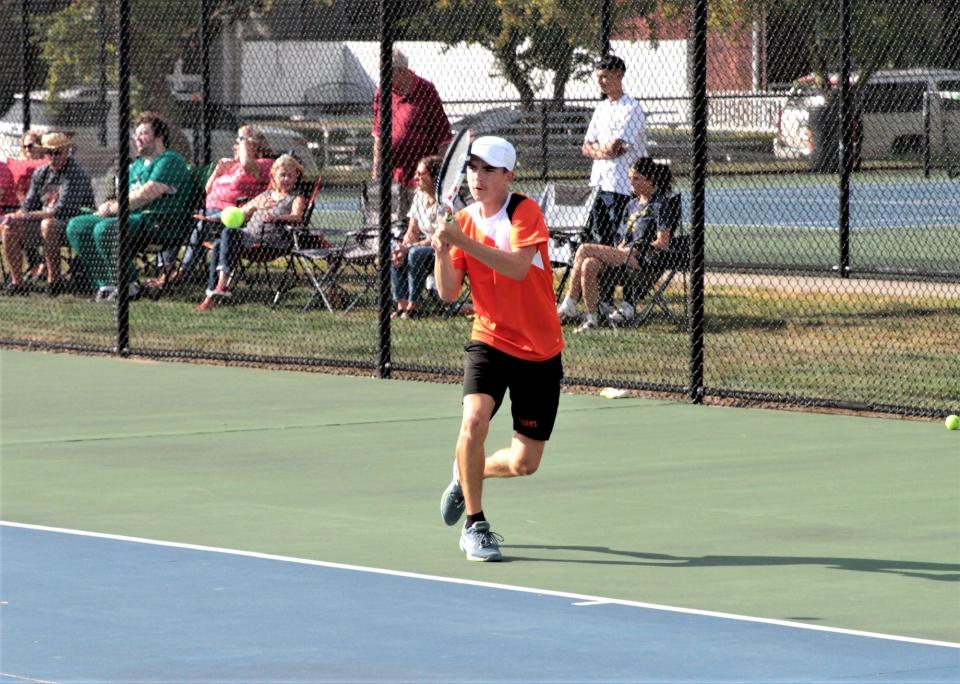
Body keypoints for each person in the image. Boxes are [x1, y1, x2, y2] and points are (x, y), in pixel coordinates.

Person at [433, 136, 564, 562]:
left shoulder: (525, 211)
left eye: (489, 169)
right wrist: (442, 249)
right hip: (489, 339)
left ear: (509, 176)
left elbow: (517, 267)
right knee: (473, 421)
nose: (478, 177)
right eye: (472, 168)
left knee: (525, 462)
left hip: (540, 350)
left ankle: (466, 471)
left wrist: (462, 241)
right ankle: (476, 525)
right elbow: (450, 293)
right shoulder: (461, 223)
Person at [65, 111, 192, 302]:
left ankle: (129, 286)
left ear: (159, 137)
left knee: (106, 228)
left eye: (143, 133)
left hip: (159, 222)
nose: (137, 139)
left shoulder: (170, 160)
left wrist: (115, 207)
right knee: (77, 226)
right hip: (130, 219)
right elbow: (122, 195)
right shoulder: (136, 166)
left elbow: (148, 193)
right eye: (136, 134)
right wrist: (110, 204)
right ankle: (107, 284)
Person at [556, 158, 677, 333]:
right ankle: (592, 319)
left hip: (642, 259)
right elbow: (622, 238)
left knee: (584, 249)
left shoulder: (660, 205)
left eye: (636, 178)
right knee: (589, 263)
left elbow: (663, 242)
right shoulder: (631, 205)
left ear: (650, 179)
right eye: (630, 178)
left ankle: (569, 303)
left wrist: (639, 248)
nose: (631, 183)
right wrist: (618, 251)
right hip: (622, 255)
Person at [149, 124, 274, 287]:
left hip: (232, 216)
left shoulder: (265, 164)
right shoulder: (232, 165)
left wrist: (244, 136)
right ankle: (165, 270)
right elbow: (207, 190)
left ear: (253, 145)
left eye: (239, 142)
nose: (235, 146)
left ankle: (182, 273)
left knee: (200, 225)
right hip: (207, 212)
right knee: (175, 221)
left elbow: (248, 165)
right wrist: (217, 171)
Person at [196, 154, 306, 312]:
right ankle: (215, 291)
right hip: (247, 238)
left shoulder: (296, 197)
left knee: (225, 237)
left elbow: (297, 217)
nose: (287, 179)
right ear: (274, 175)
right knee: (221, 241)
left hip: (269, 242)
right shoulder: (264, 196)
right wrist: (256, 206)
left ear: (297, 176)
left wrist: (277, 217)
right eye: (283, 175)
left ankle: (216, 291)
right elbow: (240, 213)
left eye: (291, 175)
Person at [582, 54, 647, 314]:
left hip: (623, 189)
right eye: (598, 78)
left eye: (605, 77)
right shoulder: (601, 108)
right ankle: (605, 300)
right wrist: (603, 151)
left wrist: (604, 149)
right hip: (599, 186)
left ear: (619, 74)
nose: (601, 82)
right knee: (601, 242)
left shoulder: (632, 108)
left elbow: (617, 147)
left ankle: (629, 301)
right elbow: (587, 147)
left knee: (622, 246)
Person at [1, 132, 95, 297]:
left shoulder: (75, 174)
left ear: (67, 152)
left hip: (72, 225)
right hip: (43, 224)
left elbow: (61, 211)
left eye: (57, 152)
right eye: (48, 152)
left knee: (48, 224)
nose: (52, 156)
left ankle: (54, 280)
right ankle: (18, 283)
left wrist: (26, 216)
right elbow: (28, 205)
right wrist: (15, 216)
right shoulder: (41, 173)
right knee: (9, 226)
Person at [371, 47, 451, 223]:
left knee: (423, 224)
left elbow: (443, 137)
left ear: (400, 71)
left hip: (422, 178)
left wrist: (440, 174)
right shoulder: (381, 94)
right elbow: (378, 135)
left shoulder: (425, 90)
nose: (382, 78)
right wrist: (376, 172)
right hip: (392, 177)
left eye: (386, 73)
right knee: (395, 225)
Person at [390, 155, 440, 319]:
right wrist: (402, 248)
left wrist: (409, 248)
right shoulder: (420, 196)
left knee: (414, 253)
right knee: (394, 250)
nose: (415, 177)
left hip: (444, 249)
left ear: (434, 176)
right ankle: (401, 304)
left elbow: (439, 237)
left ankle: (414, 305)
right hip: (424, 245)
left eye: (421, 174)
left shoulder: (446, 200)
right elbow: (412, 230)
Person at [6, 131, 49, 280]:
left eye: (30, 145)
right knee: (15, 224)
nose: (27, 150)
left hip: (46, 208)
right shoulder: (20, 168)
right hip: (25, 207)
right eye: (24, 147)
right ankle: (35, 264)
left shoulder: (50, 167)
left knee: (45, 225)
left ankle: (43, 264)